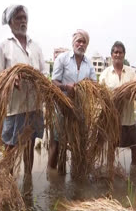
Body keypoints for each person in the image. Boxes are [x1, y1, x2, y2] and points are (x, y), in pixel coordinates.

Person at [0, 5, 48, 174]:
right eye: (18, 18)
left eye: (25, 17)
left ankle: (28, 180)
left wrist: (40, 80)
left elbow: (44, 73)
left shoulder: (36, 46)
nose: (23, 21)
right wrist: (10, 77)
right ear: (10, 22)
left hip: (34, 105)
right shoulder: (2, 45)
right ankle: (7, 182)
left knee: (30, 143)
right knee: (10, 144)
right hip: (13, 106)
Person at [47, 29, 97, 170]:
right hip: (61, 107)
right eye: (78, 41)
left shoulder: (89, 64)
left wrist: (88, 86)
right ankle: (52, 175)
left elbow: (94, 83)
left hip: (80, 108)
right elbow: (53, 82)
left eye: (84, 42)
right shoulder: (62, 59)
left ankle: (76, 174)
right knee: (57, 142)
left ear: (86, 45)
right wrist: (65, 86)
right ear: (73, 43)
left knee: (79, 141)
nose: (81, 44)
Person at [99, 41, 136, 165]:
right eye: (115, 52)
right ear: (112, 55)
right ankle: (110, 172)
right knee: (112, 147)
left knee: (135, 147)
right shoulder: (105, 74)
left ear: (124, 55)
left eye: (120, 52)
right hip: (113, 120)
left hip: (129, 119)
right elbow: (101, 96)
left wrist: (126, 94)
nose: (118, 55)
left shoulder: (131, 73)